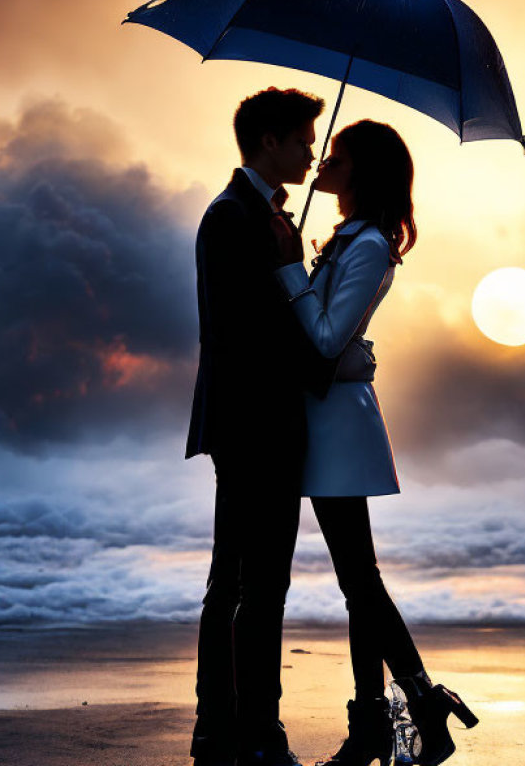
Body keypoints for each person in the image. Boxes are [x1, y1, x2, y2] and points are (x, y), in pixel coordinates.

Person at [271, 120, 479, 766]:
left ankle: (402, 709)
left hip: (339, 425)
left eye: (337, 155)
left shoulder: (367, 246)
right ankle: (398, 711)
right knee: (358, 581)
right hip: (329, 416)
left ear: (362, 171)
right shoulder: (348, 239)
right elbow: (337, 341)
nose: (324, 162)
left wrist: (289, 274)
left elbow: (329, 339)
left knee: (359, 580)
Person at [185, 87, 336, 766]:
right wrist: (324, 360)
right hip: (255, 424)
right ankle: (255, 732)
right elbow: (245, 330)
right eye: (303, 139)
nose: (312, 151)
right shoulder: (231, 218)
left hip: (251, 421)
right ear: (269, 140)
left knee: (237, 578)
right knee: (258, 580)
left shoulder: (260, 216)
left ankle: (221, 728)